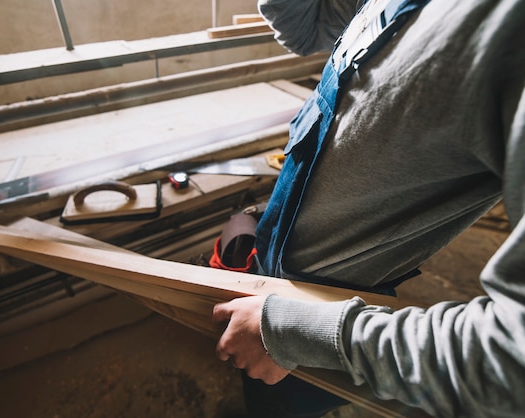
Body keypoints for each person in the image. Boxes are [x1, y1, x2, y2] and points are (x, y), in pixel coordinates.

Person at [212, 0, 525, 416]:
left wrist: (295, 333)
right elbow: (306, 30)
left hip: (327, 318)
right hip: (277, 286)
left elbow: (512, 362)